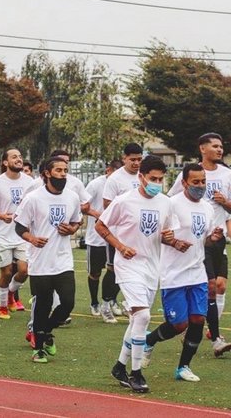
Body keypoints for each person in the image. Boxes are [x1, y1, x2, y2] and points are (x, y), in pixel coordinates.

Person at [142, 163, 228, 382]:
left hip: (197, 271)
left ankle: (183, 367)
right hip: (173, 273)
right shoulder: (171, 205)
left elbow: (205, 239)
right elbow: (157, 234)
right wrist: (174, 243)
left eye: (203, 182)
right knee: (179, 324)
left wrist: (214, 237)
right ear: (184, 183)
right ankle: (149, 341)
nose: (200, 186)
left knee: (198, 319)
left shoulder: (208, 208)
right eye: (195, 182)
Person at [95, 155, 175, 393]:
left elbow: (165, 233)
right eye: (153, 178)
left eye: (161, 179)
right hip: (128, 266)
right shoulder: (124, 201)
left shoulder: (165, 202)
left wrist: (170, 239)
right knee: (143, 317)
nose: (157, 183)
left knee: (136, 320)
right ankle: (136, 373)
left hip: (152, 267)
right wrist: (120, 246)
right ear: (141, 177)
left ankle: (119, 366)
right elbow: (101, 225)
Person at [168, 133, 231, 354]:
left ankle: (204, 329)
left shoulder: (227, 174)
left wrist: (226, 203)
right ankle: (215, 338)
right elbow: (171, 202)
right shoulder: (190, 173)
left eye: (221, 146)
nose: (220, 150)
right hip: (197, 240)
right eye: (215, 146)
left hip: (217, 237)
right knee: (211, 287)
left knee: (220, 286)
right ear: (202, 149)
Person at [14, 156, 82, 363]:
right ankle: (39, 349)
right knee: (42, 305)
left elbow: (77, 221)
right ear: (47, 173)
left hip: (63, 260)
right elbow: (19, 227)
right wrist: (32, 239)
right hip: (40, 261)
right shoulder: (33, 198)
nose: (63, 174)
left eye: (65, 170)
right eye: (58, 170)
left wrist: (71, 229)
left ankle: (45, 332)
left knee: (68, 303)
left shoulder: (72, 197)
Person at [100, 142, 143, 323]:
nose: (136, 163)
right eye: (132, 159)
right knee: (113, 268)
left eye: (139, 159)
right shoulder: (115, 179)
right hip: (118, 234)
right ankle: (105, 304)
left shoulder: (143, 176)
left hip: (139, 234)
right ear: (124, 158)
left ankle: (125, 302)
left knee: (135, 268)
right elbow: (107, 206)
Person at [0, 148, 34, 319]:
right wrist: (1, 216)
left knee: (24, 270)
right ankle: (2, 307)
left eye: (20, 156)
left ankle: (10, 293)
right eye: (14, 157)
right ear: (5, 162)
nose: (19, 159)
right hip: (2, 234)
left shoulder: (30, 181)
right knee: (7, 272)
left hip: (22, 234)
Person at [85, 160, 123, 316]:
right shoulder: (95, 184)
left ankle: (111, 299)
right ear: (108, 170)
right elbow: (83, 205)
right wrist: (98, 214)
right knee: (95, 273)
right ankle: (94, 302)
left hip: (115, 237)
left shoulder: (123, 184)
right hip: (96, 238)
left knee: (117, 270)